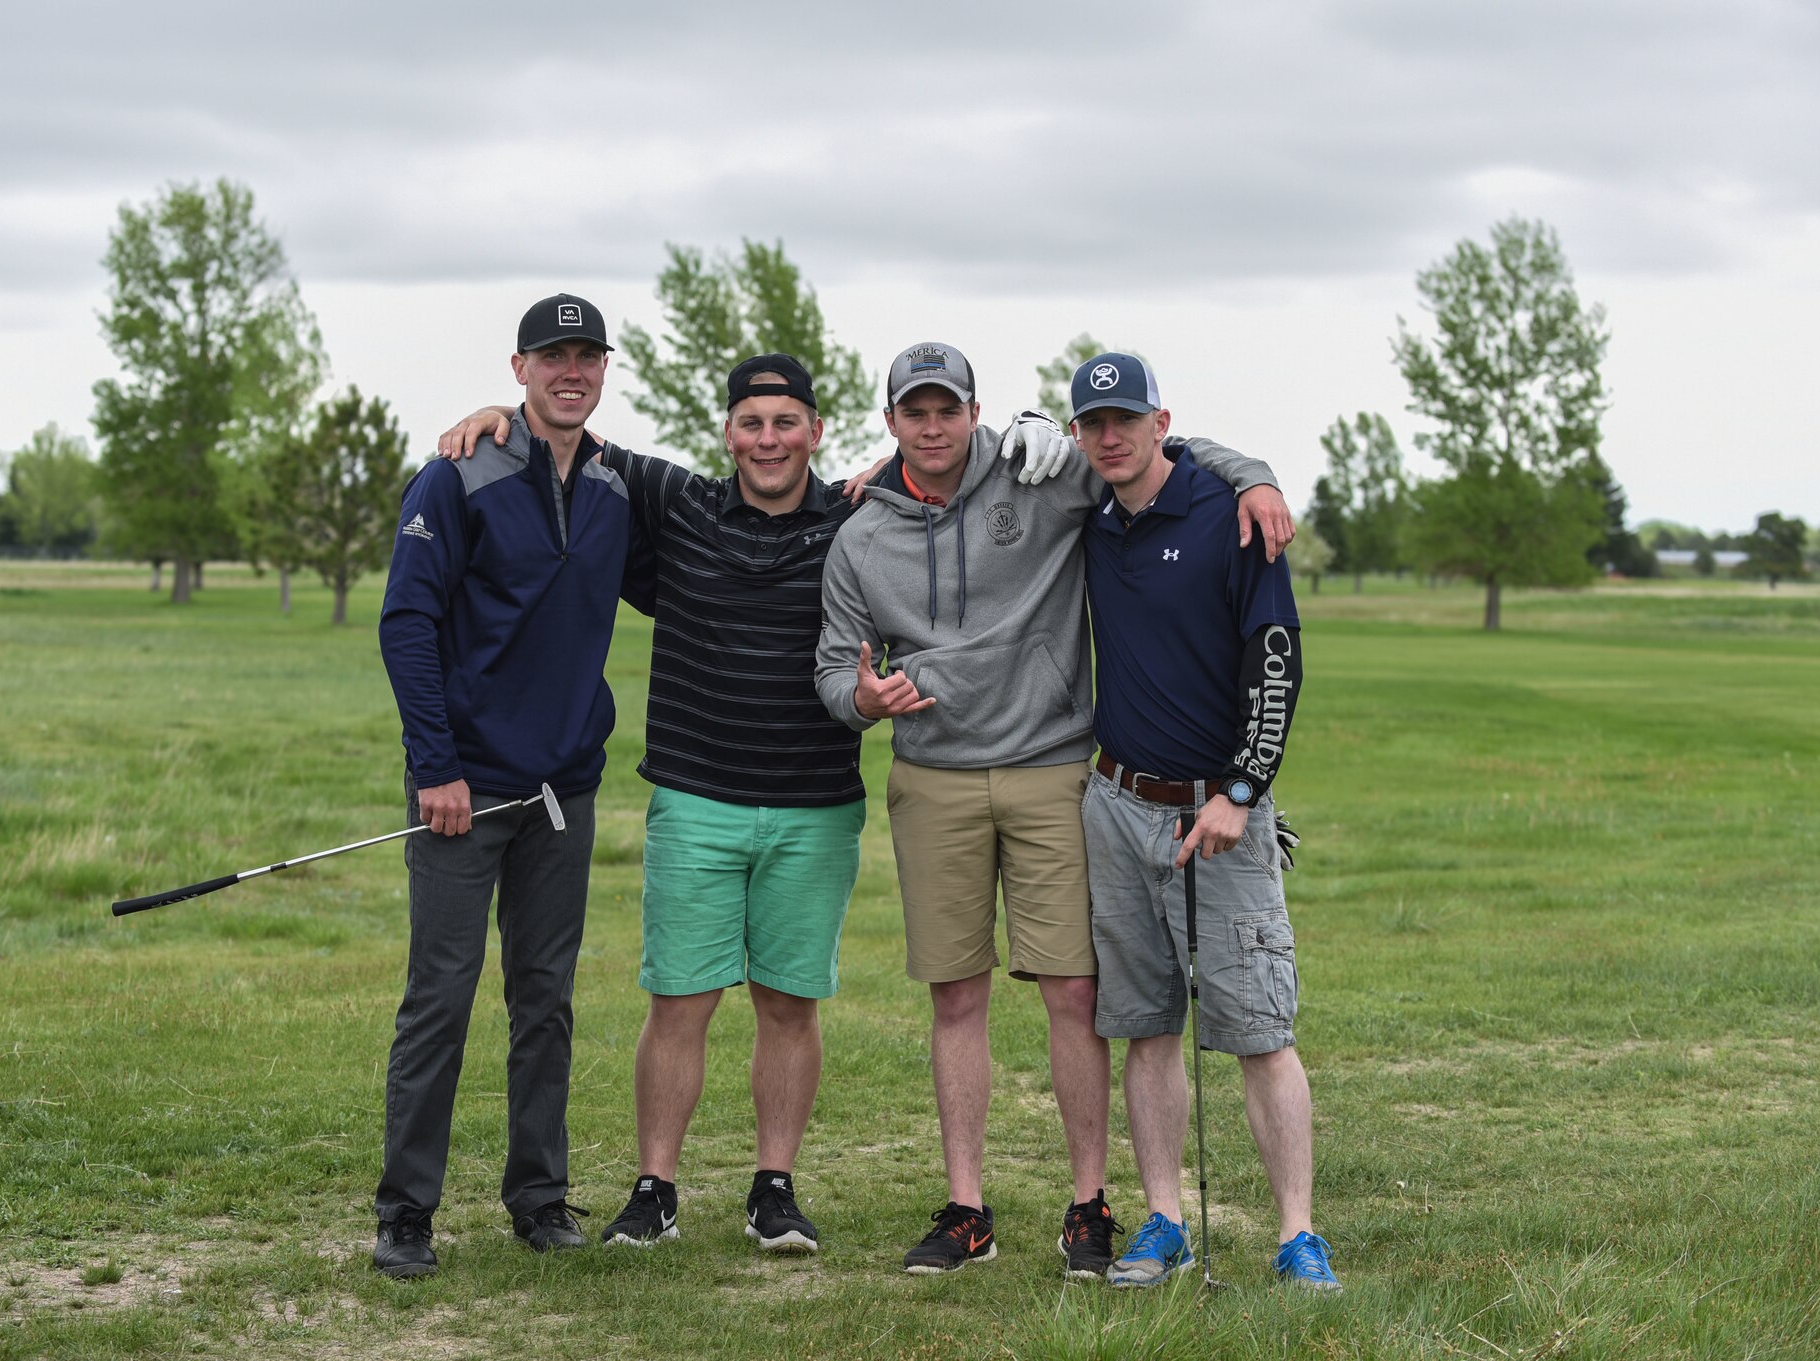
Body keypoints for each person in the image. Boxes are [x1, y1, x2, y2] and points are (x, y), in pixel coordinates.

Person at [433, 355, 1076, 1256]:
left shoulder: (861, 513)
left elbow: (943, 463)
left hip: (815, 804)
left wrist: (1034, 425)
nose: (768, 439)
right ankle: (655, 1188)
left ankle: (774, 1188)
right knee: (679, 1000)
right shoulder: (675, 500)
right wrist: (497, 409)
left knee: (788, 1003)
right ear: (728, 432)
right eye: (751, 423)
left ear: (817, 431)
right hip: (697, 797)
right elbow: (565, 425)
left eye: (786, 423)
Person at [812, 342, 1295, 1277]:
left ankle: (1089, 1203)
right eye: (915, 411)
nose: (933, 424)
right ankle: (965, 1209)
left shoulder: (1044, 476)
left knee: (1076, 993)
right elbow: (836, 665)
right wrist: (862, 700)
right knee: (956, 995)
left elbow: (1162, 455)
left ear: (974, 410)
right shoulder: (859, 534)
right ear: (891, 424)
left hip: (1052, 769)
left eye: (947, 407)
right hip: (935, 777)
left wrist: (1258, 476)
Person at [371, 293, 639, 1278]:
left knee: (545, 998)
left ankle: (538, 1196)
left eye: (587, 356)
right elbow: (406, 623)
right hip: (464, 790)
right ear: (519, 367)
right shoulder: (455, 476)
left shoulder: (615, 487)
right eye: (551, 356)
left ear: (603, 368)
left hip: (561, 793)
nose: (571, 371)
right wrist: (434, 765)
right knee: (439, 995)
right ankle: (406, 1209)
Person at [1067, 352, 1339, 1291]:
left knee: (1260, 1028)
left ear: (1160, 421)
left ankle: (1298, 1233)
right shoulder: (1091, 519)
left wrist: (1244, 789)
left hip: (1219, 812)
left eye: (1125, 420)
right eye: (1093, 423)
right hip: (1115, 804)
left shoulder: (1230, 516)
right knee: (1145, 1024)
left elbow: (1277, 662)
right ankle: (1164, 1220)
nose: (1110, 437)